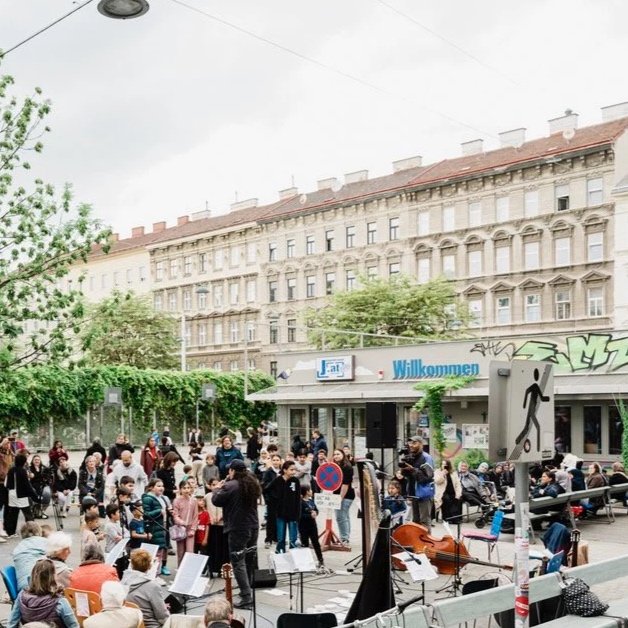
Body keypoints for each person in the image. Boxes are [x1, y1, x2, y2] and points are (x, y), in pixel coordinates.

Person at [211, 459, 261, 610]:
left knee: (238, 562)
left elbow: (216, 500)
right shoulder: (252, 483)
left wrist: (217, 489)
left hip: (238, 528)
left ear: (233, 471)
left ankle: (246, 597)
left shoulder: (230, 485)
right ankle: (248, 590)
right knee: (249, 560)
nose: (228, 472)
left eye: (230, 470)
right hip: (253, 526)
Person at [7, 558, 79, 628]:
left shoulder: (21, 597)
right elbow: (74, 625)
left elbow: (12, 623)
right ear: (53, 577)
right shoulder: (60, 601)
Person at [122, 548, 170, 628]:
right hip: (150, 625)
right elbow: (162, 617)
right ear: (149, 566)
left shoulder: (123, 582)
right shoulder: (153, 586)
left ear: (132, 565)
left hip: (130, 624)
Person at [399, 437, 434, 530]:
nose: (411, 445)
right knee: (415, 522)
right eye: (410, 443)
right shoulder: (411, 457)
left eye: (414, 443)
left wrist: (412, 469)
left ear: (421, 444)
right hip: (413, 493)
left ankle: (427, 539)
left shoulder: (426, 458)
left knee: (424, 522)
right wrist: (404, 468)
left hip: (424, 494)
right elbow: (405, 475)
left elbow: (427, 477)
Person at [5, 451, 39, 535]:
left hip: (12, 495)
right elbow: (27, 485)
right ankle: (32, 531)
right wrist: (35, 497)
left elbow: (6, 484)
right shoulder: (23, 471)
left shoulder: (11, 470)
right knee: (28, 514)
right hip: (21, 495)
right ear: (24, 462)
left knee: (13, 514)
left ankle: (10, 532)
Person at [269, 460, 300, 553]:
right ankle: (280, 553)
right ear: (285, 470)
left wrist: (298, 514)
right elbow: (267, 490)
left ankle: (294, 554)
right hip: (280, 513)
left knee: (293, 538)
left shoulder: (295, 481)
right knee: (281, 537)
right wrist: (274, 501)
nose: (293, 472)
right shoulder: (278, 480)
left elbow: (298, 498)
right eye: (291, 470)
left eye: (295, 470)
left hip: (292, 514)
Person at [142, 478, 170, 576]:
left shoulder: (162, 498)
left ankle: (157, 572)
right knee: (155, 553)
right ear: (151, 487)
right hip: (154, 528)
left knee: (161, 551)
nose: (161, 488)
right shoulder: (148, 498)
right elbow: (146, 514)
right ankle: (153, 574)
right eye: (158, 486)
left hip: (162, 526)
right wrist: (159, 511)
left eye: (162, 486)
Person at [13, 522, 48, 591]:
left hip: (23, 589)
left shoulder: (18, 548)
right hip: (41, 587)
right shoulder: (46, 542)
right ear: (39, 532)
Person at [205, 478, 228, 577]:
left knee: (223, 548)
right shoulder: (207, 496)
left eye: (217, 484)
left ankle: (223, 569)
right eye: (213, 485)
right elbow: (204, 508)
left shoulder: (223, 495)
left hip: (222, 525)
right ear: (209, 486)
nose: (215, 487)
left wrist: (221, 516)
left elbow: (226, 508)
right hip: (211, 525)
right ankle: (213, 568)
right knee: (213, 548)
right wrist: (209, 518)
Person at [332, 449, 355, 546]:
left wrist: (340, 498)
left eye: (338, 454)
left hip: (345, 495)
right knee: (344, 516)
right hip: (338, 494)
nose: (336, 456)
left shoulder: (347, 467)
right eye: (334, 454)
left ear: (343, 455)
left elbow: (345, 484)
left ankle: (344, 539)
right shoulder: (336, 466)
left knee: (340, 517)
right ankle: (345, 537)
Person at [172, 479, 198, 565]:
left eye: (188, 488)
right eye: (184, 488)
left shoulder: (194, 500)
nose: (186, 490)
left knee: (190, 552)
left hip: (190, 528)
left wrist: (193, 529)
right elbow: (175, 515)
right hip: (180, 528)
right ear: (180, 489)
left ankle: (189, 569)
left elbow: (195, 516)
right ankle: (180, 569)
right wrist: (182, 522)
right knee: (181, 552)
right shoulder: (176, 501)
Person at [298, 485, 325, 569]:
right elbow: (299, 515)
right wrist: (310, 515)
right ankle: (305, 562)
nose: (312, 491)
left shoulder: (311, 501)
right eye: (310, 490)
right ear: (306, 492)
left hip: (313, 526)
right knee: (305, 544)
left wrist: (316, 513)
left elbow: (316, 510)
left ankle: (321, 560)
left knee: (316, 543)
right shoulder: (300, 502)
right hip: (303, 527)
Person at [262, 453, 282, 549]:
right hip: (271, 499)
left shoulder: (283, 471)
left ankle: (276, 538)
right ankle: (268, 539)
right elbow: (265, 486)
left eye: (277, 460)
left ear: (280, 461)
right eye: (274, 460)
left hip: (281, 499)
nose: (275, 462)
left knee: (279, 519)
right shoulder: (268, 472)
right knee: (270, 520)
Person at [29, 454, 53, 519]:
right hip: (32, 485)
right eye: (35, 460)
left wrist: (46, 478)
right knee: (34, 493)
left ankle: (41, 511)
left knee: (47, 494)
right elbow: (31, 478)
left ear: (40, 461)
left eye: (38, 460)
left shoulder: (44, 468)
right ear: (32, 461)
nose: (37, 461)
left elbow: (48, 477)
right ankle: (34, 511)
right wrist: (36, 472)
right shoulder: (30, 468)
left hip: (43, 484)